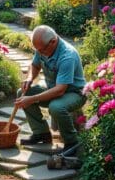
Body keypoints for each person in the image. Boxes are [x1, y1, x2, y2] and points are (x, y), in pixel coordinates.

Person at [15, 25, 87, 168]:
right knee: (22, 93)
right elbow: (35, 65)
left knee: (56, 107)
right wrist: (29, 78)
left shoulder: (67, 55)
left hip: (73, 94)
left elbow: (60, 90)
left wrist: (32, 99)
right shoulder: (42, 47)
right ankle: (41, 134)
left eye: (41, 50)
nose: (39, 52)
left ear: (53, 41)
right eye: (37, 50)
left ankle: (71, 142)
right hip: (54, 90)